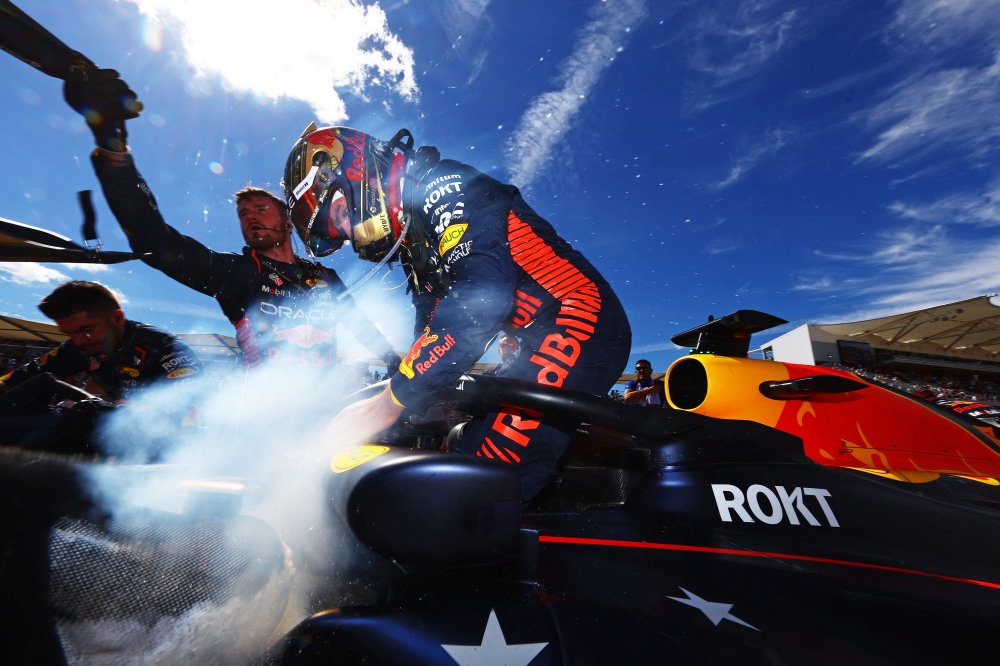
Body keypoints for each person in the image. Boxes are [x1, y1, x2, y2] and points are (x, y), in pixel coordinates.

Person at [283, 124, 632, 500]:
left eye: (338, 216)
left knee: (484, 477)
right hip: (536, 337)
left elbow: (482, 295)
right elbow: (431, 331)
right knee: (466, 450)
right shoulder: (415, 238)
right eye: (336, 234)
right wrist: (389, 392)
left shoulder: (441, 184)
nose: (349, 235)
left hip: (578, 313)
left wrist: (390, 401)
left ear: (356, 174)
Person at [62, 71, 400, 379]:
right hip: (264, 415)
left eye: (260, 209)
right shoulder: (234, 273)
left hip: (327, 408)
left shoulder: (327, 278)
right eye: (242, 214)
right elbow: (154, 241)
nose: (250, 217)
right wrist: (114, 154)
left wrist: (394, 360)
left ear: (286, 219)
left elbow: (360, 326)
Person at [0, 281, 201, 450]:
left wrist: (110, 410)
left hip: (164, 444)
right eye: (69, 334)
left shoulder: (167, 348)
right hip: (112, 429)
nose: (78, 341)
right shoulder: (78, 347)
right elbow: (25, 375)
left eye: (85, 330)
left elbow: (189, 411)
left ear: (117, 318)